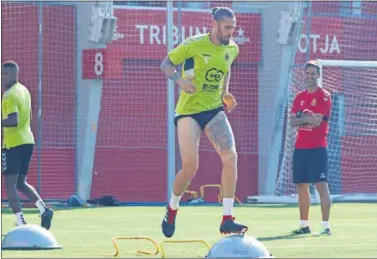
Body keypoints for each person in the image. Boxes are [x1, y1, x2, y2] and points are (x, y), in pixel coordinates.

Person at [159, 6, 248, 238]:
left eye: (233, 28)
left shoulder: (233, 49)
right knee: (191, 166)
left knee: (231, 157)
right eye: (227, 27)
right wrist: (179, 80)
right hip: (188, 111)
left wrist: (225, 94)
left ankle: (227, 218)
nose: (231, 32)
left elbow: (226, 68)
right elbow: (166, 64)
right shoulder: (194, 44)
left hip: (213, 110)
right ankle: (172, 209)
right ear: (216, 24)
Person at [1, 60, 54, 230]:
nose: (2, 77)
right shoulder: (24, 91)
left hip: (13, 144)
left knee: (9, 184)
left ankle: (20, 221)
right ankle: (44, 209)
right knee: (21, 183)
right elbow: (27, 118)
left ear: (14, 74)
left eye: (5, 74)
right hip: (28, 141)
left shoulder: (9, 95)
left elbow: (13, 120)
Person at [289, 60, 332, 235]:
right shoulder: (299, 96)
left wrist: (301, 118)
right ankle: (304, 225)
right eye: (307, 73)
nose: (309, 76)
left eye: (313, 73)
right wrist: (304, 119)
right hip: (301, 148)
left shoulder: (324, 96)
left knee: (321, 186)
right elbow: (292, 122)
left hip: (317, 148)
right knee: (301, 186)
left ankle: (325, 226)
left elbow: (317, 120)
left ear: (318, 75)